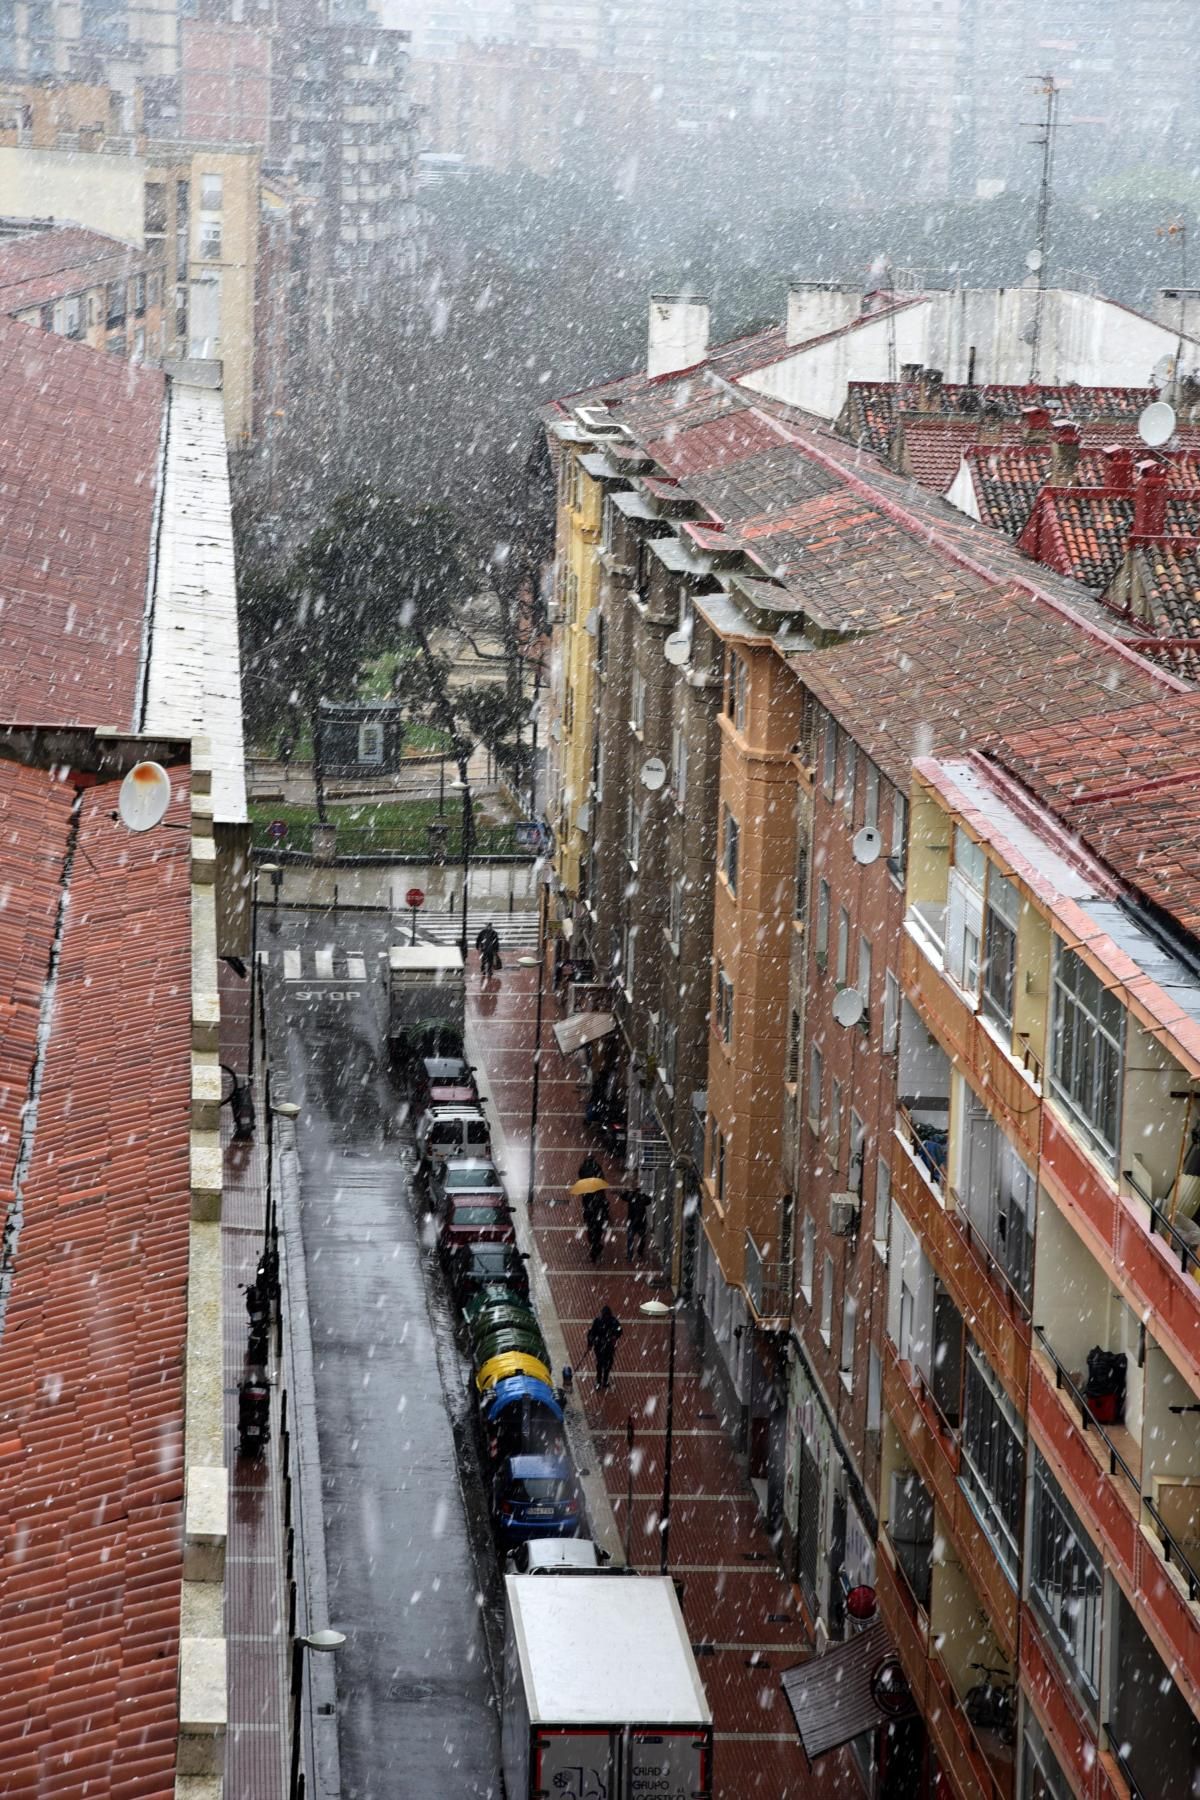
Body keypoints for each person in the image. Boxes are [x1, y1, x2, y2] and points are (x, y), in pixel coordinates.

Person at [587, 1305, 623, 1393]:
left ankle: (605, 1380)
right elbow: (591, 1333)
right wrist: (591, 1342)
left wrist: (614, 1336)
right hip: (600, 1346)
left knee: (607, 1364)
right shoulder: (598, 1321)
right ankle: (599, 1381)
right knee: (600, 1364)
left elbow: (619, 1330)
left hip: (608, 1346)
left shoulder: (613, 1322)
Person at [624, 1186, 651, 1262]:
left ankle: (639, 1252)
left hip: (641, 1222)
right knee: (630, 1239)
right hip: (633, 1222)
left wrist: (643, 1196)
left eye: (637, 1192)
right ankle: (630, 1255)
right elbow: (623, 1196)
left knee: (642, 1238)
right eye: (634, 1192)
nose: (636, 1194)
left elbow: (649, 1200)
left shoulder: (642, 1198)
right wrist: (627, 1191)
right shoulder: (630, 1197)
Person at [583, 1187, 609, 1265]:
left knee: (594, 1239)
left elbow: (586, 1211)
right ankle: (596, 1251)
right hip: (595, 1223)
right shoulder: (599, 1200)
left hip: (594, 1224)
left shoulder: (594, 1200)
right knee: (594, 1239)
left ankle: (594, 1255)